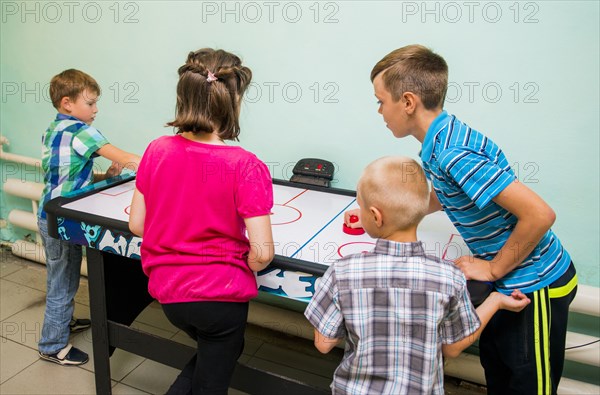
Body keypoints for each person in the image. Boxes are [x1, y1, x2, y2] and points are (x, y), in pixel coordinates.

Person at [345, 45, 578, 395]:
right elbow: (451, 193)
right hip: (509, 283)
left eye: (380, 101)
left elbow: (539, 214)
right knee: (499, 375)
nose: (379, 110)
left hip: (534, 283)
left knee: (527, 386)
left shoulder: (454, 152)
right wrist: (393, 212)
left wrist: (494, 269)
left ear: (407, 102)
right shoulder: (441, 139)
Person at [305, 156, 530, 394]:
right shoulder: (449, 277)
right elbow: (452, 348)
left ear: (375, 216)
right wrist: (495, 301)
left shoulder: (342, 271)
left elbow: (324, 343)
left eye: (360, 206)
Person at [128, 48, 274, 395]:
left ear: (184, 97)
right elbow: (263, 252)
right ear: (233, 102)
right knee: (216, 364)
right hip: (220, 299)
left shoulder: (156, 150)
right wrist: (248, 263)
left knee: (216, 353)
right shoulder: (246, 165)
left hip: (170, 295)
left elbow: (137, 224)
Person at [37, 69, 141, 365]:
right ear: (67, 103)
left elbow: (64, 179)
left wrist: (104, 176)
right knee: (64, 280)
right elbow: (127, 159)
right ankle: (52, 344)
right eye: (91, 103)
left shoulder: (53, 130)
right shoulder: (82, 131)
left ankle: (62, 323)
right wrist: (163, 164)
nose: (96, 110)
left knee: (61, 274)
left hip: (48, 214)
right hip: (62, 220)